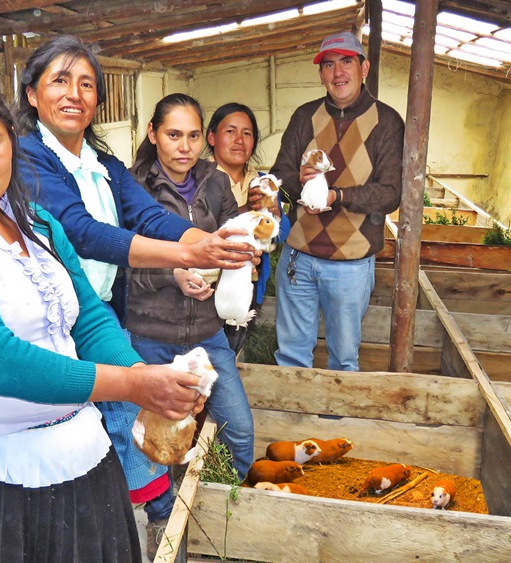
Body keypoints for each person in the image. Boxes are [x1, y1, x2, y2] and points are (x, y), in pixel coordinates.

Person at [0, 70, 206, 562]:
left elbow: (88, 318)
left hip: (81, 469)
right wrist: (134, 387)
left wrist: (140, 373)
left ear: (12, 145)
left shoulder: (37, 223)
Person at [13, 36, 258, 555]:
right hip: (50, 325)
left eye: (86, 83)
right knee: (91, 433)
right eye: (59, 80)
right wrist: (187, 257)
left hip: (98, 314)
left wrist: (209, 243)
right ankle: (135, 526)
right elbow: (83, 232)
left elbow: (147, 216)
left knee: (123, 426)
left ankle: (149, 526)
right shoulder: (29, 159)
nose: (74, 93)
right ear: (32, 94)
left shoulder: (103, 164)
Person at [129, 93, 256, 556]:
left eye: (194, 136)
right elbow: (119, 259)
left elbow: (231, 237)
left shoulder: (214, 181)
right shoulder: (132, 185)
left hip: (207, 335)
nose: (185, 147)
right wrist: (173, 272)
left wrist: (238, 257)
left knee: (238, 433)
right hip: (150, 336)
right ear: (153, 133)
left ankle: (204, 514)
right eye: (173, 134)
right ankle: (166, 520)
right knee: (154, 447)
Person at [269, 31, 404, 371]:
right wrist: (298, 186)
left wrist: (338, 196)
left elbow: (390, 192)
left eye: (347, 62)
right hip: (298, 257)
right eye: (329, 65)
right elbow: (279, 174)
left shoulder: (386, 122)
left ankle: (335, 421)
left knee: (343, 359)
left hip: (350, 262)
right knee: (291, 355)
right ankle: (295, 420)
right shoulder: (305, 116)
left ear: (364, 67)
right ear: (321, 75)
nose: (338, 73)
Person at [205, 102, 289, 353]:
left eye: (247, 133)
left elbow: (280, 235)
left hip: (247, 286)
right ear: (212, 137)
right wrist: (247, 215)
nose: (239, 140)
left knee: (232, 351)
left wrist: (274, 212)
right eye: (230, 131)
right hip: (205, 287)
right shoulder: (197, 179)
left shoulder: (262, 183)